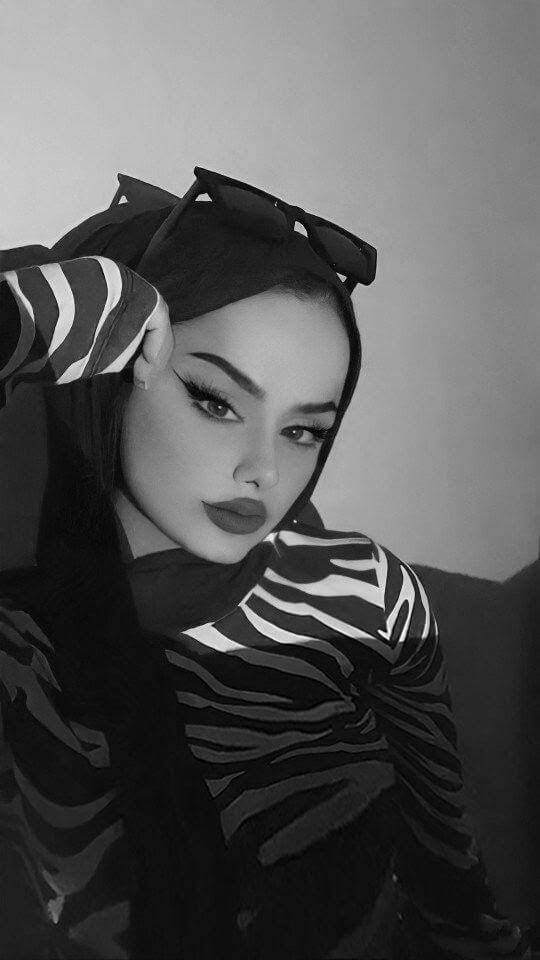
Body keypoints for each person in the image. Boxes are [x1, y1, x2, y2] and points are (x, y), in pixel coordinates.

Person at [0, 170, 529, 959]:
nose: (265, 471)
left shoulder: (369, 595)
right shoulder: (19, 642)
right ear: (107, 374)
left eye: (304, 430)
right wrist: (52, 310)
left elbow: (454, 893)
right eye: (216, 401)